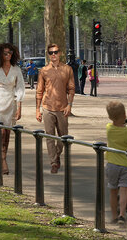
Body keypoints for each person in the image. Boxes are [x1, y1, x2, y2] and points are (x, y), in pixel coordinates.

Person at [36, 43, 75, 173]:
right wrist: (38, 109)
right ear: (48, 55)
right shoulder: (44, 71)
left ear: (60, 53)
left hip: (62, 107)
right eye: (51, 53)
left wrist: (69, 105)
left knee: (63, 137)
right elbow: (39, 90)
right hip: (47, 107)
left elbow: (71, 89)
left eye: (56, 52)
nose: (53, 55)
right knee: (49, 136)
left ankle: (57, 155)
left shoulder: (67, 69)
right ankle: (53, 162)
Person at [0, 43, 25, 174]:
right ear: (0, 55)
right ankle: (2, 160)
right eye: (5, 53)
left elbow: (20, 88)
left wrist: (20, 107)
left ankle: (4, 156)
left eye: (10, 53)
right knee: (1, 132)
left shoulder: (16, 70)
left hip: (11, 104)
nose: (8, 55)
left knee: (7, 134)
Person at [105, 101, 127, 226]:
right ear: (124, 114)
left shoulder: (109, 128)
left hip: (112, 164)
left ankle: (113, 215)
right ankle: (122, 214)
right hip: (125, 164)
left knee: (113, 190)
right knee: (124, 190)